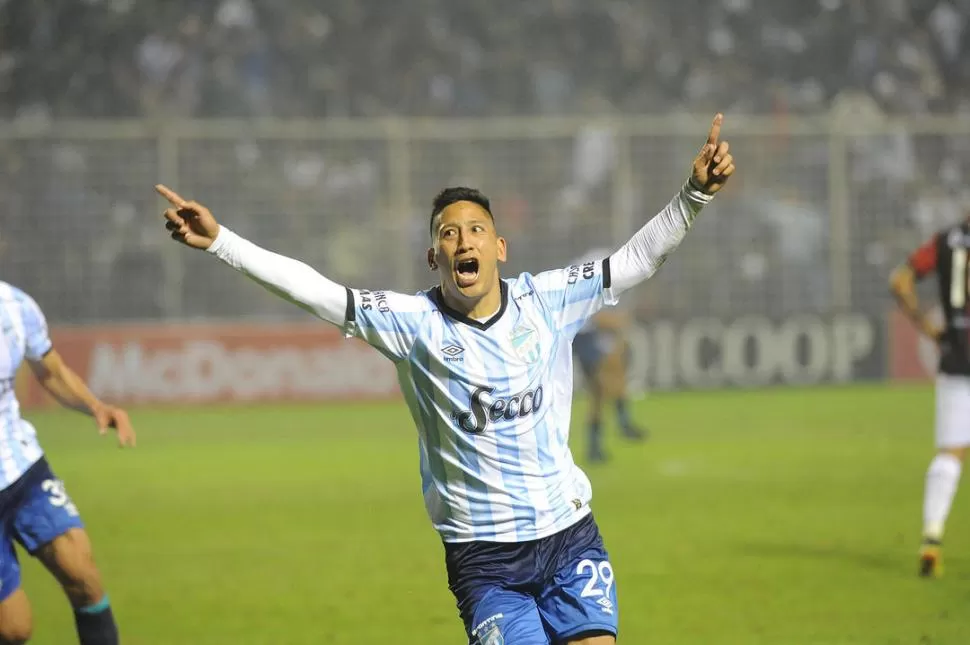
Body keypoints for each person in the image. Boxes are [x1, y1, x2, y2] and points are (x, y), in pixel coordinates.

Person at [156, 114, 734, 644]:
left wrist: (695, 195)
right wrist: (223, 243)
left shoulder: (548, 299)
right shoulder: (411, 323)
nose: (464, 240)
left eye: (476, 230)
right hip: (483, 558)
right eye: (449, 233)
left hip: (569, 534)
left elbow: (633, 261)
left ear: (499, 247)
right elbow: (320, 292)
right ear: (434, 255)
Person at [0, 281, 135, 644]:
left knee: (84, 575)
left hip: (24, 469)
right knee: (13, 629)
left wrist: (96, 406)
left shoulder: (14, 305)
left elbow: (52, 370)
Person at [890, 214, 970, 578]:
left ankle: (931, 538)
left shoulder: (945, 240)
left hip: (956, 356)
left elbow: (900, 279)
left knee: (950, 453)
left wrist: (928, 328)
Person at [571, 247, 647, 463]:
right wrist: (619, 322)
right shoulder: (600, 267)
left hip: (585, 332)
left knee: (601, 386)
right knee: (603, 383)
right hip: (583, 334)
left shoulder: (596, 262)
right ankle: (622, 424)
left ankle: (597, 445)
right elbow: (596, 315)